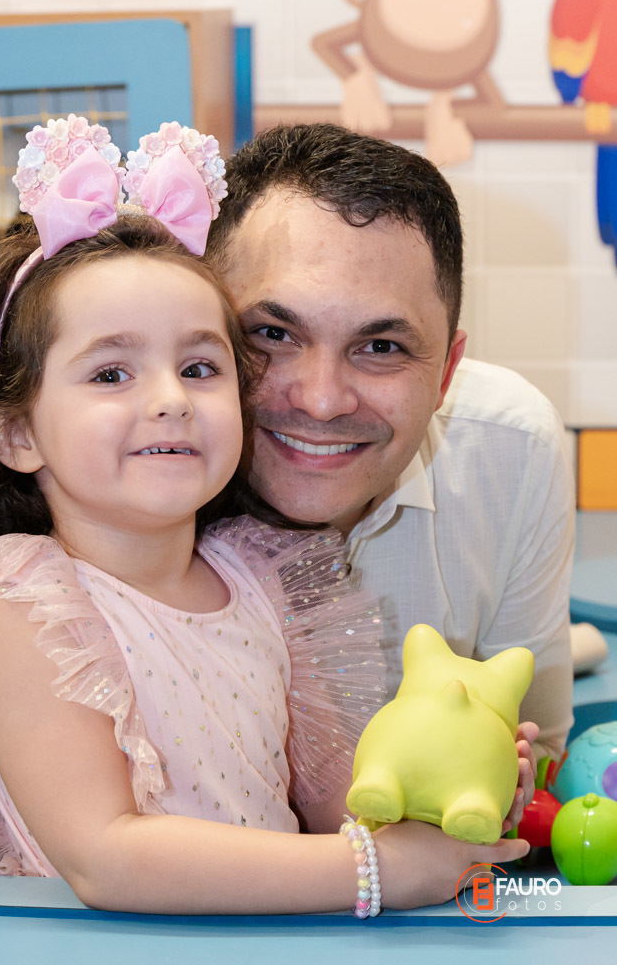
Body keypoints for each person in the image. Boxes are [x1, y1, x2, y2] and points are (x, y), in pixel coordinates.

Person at [0, 116, 531, 916]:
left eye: (199, 367)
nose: (169, 399)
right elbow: (106, 857)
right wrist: (375, 869)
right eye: (111, 373)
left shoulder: (262, 575)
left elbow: (337, 811)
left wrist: (444, 791)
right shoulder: (25, 601)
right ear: (18, 432)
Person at [206, 121, 574, 765]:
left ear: (447, 373)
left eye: (381, 346)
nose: (322, 400)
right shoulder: (125, 474)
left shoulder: (511, 449)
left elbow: (537, 750)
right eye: (273, 334)